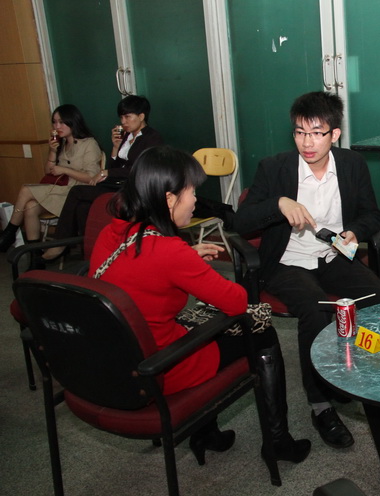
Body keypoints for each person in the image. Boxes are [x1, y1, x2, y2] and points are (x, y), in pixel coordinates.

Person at [89, 145, 311, 465]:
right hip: (162, 367)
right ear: (169, 199)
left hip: (118, 361)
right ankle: (278, 442)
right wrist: (195, 268)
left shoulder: (111, 233)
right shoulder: (170, 251)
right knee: (262, 332)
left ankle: (206, 433)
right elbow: (237, 302)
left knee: (201, 321)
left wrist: (186, 264)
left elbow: (141, 275)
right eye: (192, 191)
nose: (195, 200)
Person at [232, 91, 380, 449]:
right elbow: (241, 223)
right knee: (316, 309)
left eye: (317, 133)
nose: (307, 143)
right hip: (287, 261)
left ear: (334, 134)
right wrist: (278, 203)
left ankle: (352, 371)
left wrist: (355, 232)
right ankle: (320, 405)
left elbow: (372, 214)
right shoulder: (275, 168)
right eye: (300, 132)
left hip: (334, 256)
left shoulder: (351, 165)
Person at [42, 95, 164, 261]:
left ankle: (60, 244)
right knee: (83, 206)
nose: (123, 121)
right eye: (121, 117)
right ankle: (90, 253)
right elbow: (115, 167)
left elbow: (139, 170)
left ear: (141, 116)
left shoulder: (152, 138)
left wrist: (105, 173)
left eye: (127, 117)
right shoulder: (127, 137)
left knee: (77, 191)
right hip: (117, 184)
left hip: (135, 188)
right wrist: (115, 148)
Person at [0, 104, 102, 252]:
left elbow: (92, 177)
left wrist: (65, 170)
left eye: (61, 122)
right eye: (54, 122)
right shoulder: (61, 143)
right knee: (30, 207)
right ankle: (35, 255)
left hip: (76, 193)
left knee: (26, 189)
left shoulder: (89, 144)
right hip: (59, 190)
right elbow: (48, 171)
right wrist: (53, 151)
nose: (57, 126)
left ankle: (10, 232)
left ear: (73, 121)